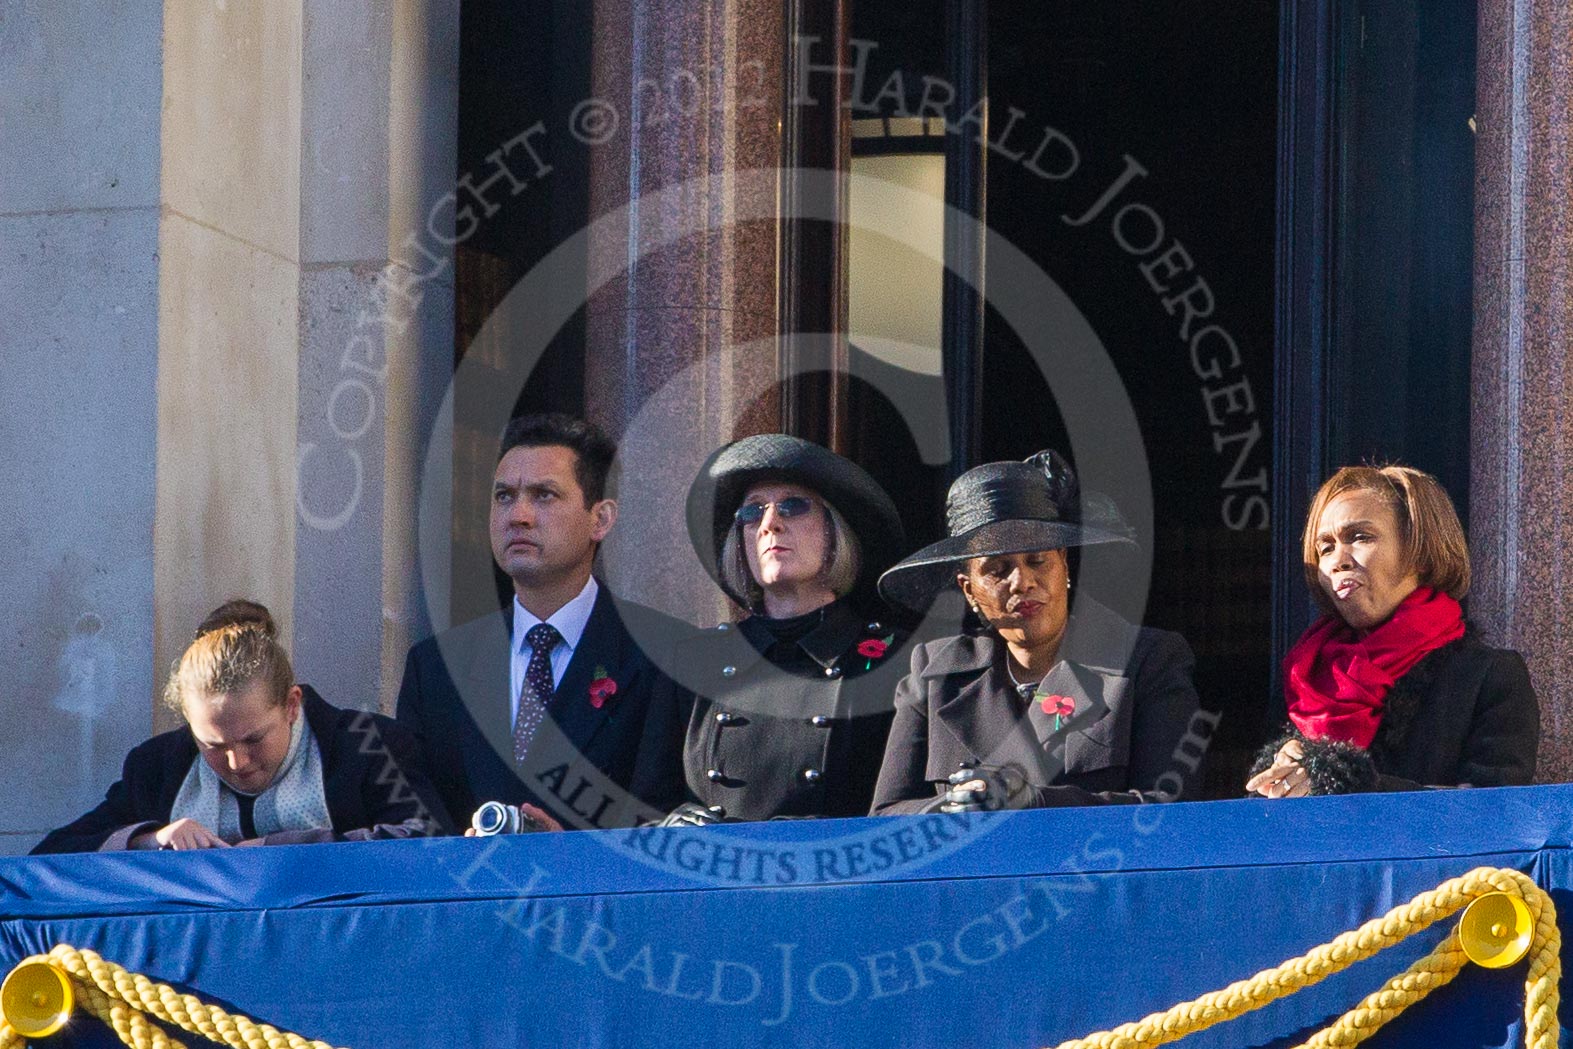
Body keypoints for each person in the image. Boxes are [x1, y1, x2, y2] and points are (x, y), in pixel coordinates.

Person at [396, 413, 690, 832]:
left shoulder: (664, 655)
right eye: (503, 496)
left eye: (544, 495)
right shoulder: (437, 668)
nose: (519, 516)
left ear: (600, 519)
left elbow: (668, 824)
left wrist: (568, 854)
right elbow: (412, 819)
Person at [870, 451, 1204, 814]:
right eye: (998, 569)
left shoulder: (1146, 660)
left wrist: (1032, 801)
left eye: (1037, 561)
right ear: (969, 590)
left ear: (1063, 563)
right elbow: (887, 814)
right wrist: (954, 807)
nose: (1022, 582)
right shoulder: (933, 671)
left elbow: (1173, 811)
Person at [630, 434, 910, 823]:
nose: (769, 524)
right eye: (752, 512)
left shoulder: (896, 658)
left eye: (792, 507)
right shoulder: (693, 661)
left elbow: (905, 812)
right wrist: (671, 829)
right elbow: (643, 812)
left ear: (835, 531)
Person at [34, 600, 447, 853]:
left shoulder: (365, 744)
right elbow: (52, 855)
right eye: (212, 744)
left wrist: (275, 848)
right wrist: (149, 839)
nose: (237, 762)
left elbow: (431, 841)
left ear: (291, 705)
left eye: (253, 738)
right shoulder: (158, 768)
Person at [1246, 465, 1538, 797]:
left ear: (1420, 554)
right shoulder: (1303, 676)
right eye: (1325, 547)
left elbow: (1491, 817)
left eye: (1360, 537)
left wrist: (1341, 782)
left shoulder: (1488, 677)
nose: (1337, 560)